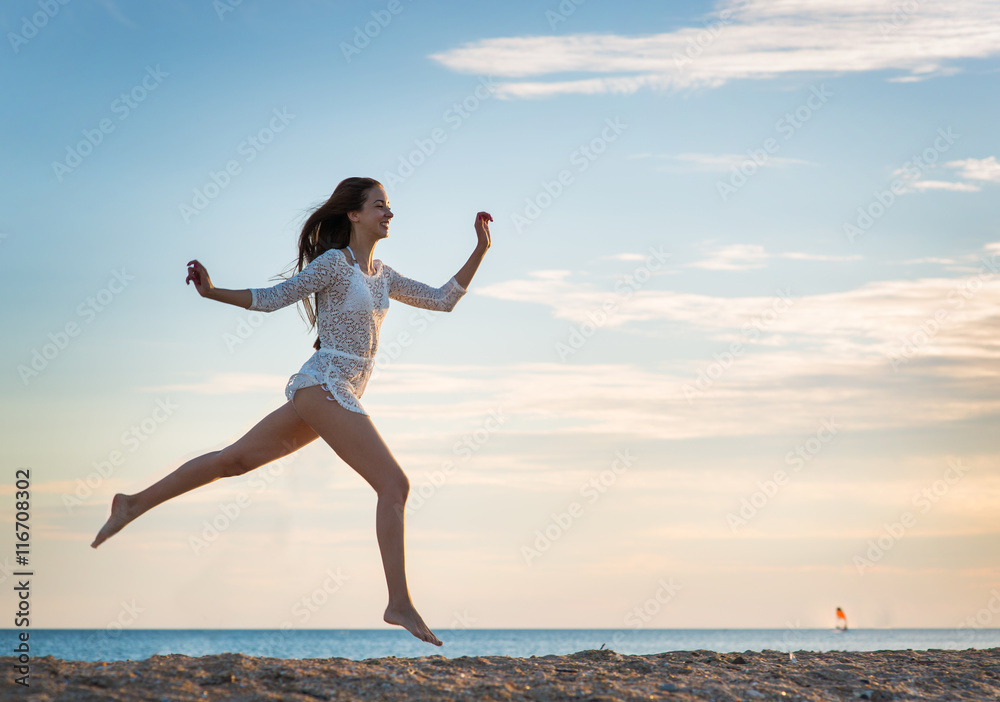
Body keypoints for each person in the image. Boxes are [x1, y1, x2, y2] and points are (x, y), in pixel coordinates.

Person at [91, 177, 492, 647]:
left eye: (390, 206)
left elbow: (442, 299)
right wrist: (212, 291)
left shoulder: (384, 275)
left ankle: (132, 503)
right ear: (354, 214)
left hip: (335, 391)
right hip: (324, 383)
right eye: (380, 205)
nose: (389, 213)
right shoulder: (333, 266)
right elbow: (271, 299)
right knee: (394, 484)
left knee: (231, 461)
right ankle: (398, 602)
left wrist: (481, 248)